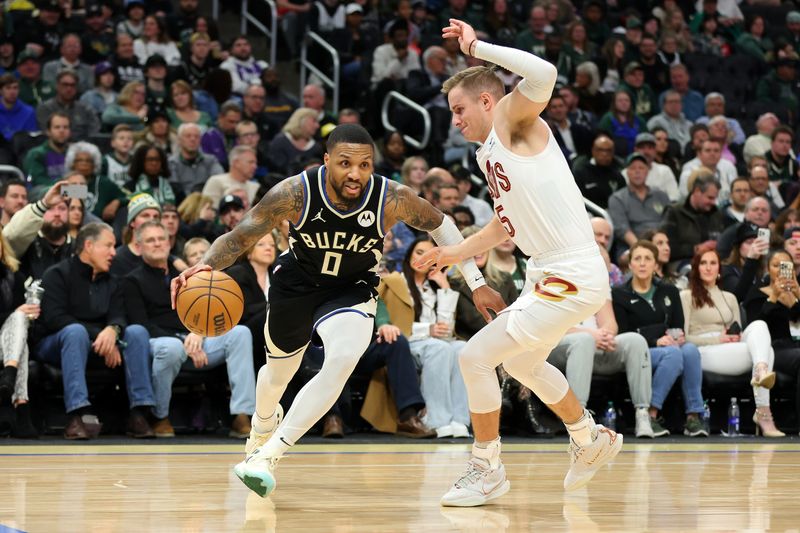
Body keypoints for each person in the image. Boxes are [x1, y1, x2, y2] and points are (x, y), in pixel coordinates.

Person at [171, 122, 503, 499]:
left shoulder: (391, 197)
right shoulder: (295, 192)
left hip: (352, 287)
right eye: (345, 163)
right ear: (326, 160)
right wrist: (206, 267)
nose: (356, 174)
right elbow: (241, 235)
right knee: (277, 377)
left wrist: (477, 284)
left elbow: (442, 225)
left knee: (342, 358)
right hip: (296, 284)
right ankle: (263, 426)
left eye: (365, 165)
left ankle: (270, 456)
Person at [411, 20, 621, 506]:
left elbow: (544, 73)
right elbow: (506, 225)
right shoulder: (490, 152)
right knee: (524, 364)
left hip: (571, 269)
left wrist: (477, 48)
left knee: (474, 356)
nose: (455, 120)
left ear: (488, 101)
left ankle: (486, 467)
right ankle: (590, 440)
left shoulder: (512, 119)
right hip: (547, 270)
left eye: (459, 109)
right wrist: (455, 252)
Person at [125, 221, 255, 438]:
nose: (157, 244)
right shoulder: (132, 280)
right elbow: (142, 325)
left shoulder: (191, 276)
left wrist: (199, 334)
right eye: (150, 240)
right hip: (162, 342)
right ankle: (160, 416)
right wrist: (184, 340)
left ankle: (241, 414)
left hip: (197, 339)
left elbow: (207, 312)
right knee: (173, 347)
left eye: (161, 239)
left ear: (169, 243)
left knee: (240, 333)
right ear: (138, 247)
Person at [34, 222, 156, 439]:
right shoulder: (56, 275)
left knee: (137, 332)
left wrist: (113, 330)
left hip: (98, 344)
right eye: (108, 246)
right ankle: (76, 414)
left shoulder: (114, 281)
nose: (113, 253)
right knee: (75, 332)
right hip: (55, 344)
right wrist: (102, 335)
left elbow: (119, 315)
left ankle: (139, 412)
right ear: (88, 246)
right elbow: (55, 319)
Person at [680, 249, 784, 437]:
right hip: (703, 350)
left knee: (759, 326)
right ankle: (764, 413)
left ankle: (761, 370)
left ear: (720, 268)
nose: (708, 268)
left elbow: (738, 329)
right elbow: (684, 338)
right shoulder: (686, 296)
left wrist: (734, 337)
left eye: (713, 263)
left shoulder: (730, 298)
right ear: (696, 268)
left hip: (731, 348)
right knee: (767, 351)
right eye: (703, 263)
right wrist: (717, 338)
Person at [611, 240, 706, 438]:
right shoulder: (619, 294)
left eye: (648, 259)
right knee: (672, 354)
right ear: (630, 265)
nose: (643, 263)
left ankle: (693, 416)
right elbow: (624, 333)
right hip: (637, 352)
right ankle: (650, 414)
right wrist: (656, 341)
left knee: (690, 351)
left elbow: (677, 326)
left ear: (656, 264)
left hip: (669, 346)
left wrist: (677, 337)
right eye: (637, 259)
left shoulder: (669, 291)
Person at [0, 230, 39, 438]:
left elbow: (21, 326)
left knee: (19, 320)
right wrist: (14, 313)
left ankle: (9, 374)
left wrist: (30, 315)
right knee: (16, 318)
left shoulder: (14, 276)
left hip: (7, 345)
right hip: (7, 345)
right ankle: (21, 405)